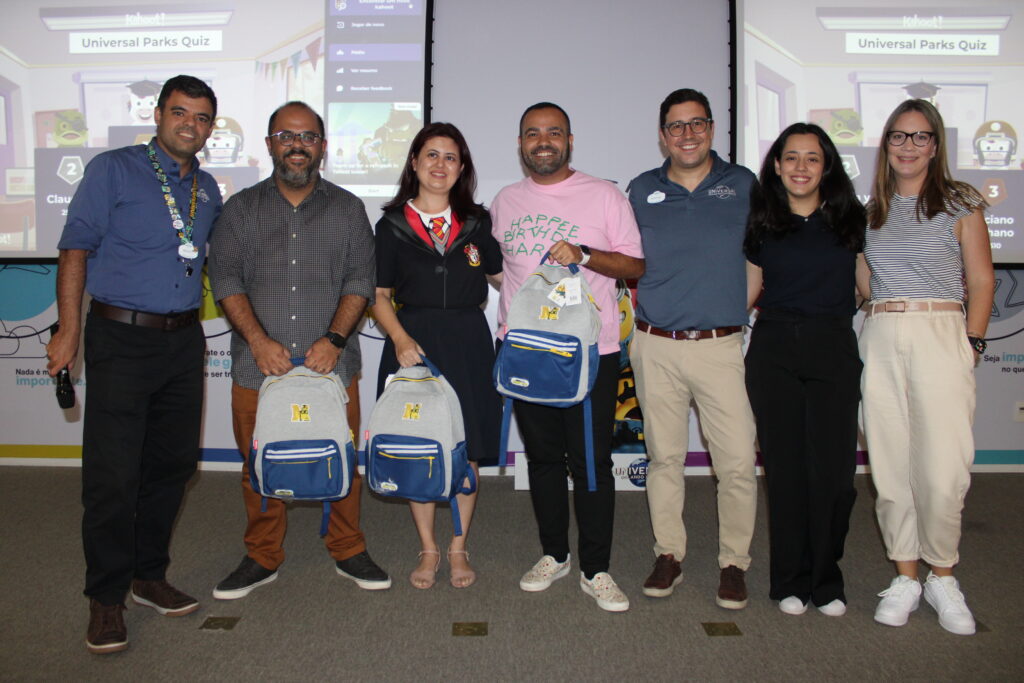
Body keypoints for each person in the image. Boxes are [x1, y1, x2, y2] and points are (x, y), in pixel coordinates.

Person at [46, 75, 221, 654]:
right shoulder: (113, 170)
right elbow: (75, 248)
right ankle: (105, 597)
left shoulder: (210, 188)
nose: (188, 124)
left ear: (210, 128)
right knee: (113, 476)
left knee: (172, 467)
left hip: (182, 341)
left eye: (200, 117)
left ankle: (149, 574)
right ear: (158, 114)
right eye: (179, 112)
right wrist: (69, 330)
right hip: (120, 337)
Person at [208, 101, 390, 600]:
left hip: (332, 365)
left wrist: (333, 340)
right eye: (286, 135)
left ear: (322, 147)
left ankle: (347, 546)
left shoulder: (348, 208)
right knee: (258, 462)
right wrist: (259, 341)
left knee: (339, 459)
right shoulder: (240, 209)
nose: (297, 144)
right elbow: (224, 277)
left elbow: (360, 279)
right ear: (269, 144)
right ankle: (262, 554)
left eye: (308, 136)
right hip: (256, 365)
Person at [491, 102, 645, 612]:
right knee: (542, 461)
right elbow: (502, 272)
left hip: (587, 356)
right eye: (532, 133)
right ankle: (554, 554)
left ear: (570, 141)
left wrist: (583, 253)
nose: (543, 141)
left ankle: (596, 569)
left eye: (553, 132)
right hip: (527, 355)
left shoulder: (603, 195)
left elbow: (634, 264)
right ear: (520, 144)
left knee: (591, 464)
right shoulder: (505, 201)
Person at [859, 99, 994, 636]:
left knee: (943, 470)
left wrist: (972, 345)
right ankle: (907, 576)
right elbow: (866, 282)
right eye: (898, 136)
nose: (908, 147)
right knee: (890, 469)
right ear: (886, 144)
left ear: (936, 145)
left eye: (920, 137)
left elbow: (981, 281)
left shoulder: (960, 202)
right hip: (884, 332)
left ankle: (943, 575)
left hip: (942, 333)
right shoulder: (873, 210)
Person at [627, 88, 757, 609]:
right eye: (676, 126)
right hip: (655, 344)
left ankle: (733, 563)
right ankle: (669, 554)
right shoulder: (640, 189)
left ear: (711, 129)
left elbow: (765, 253)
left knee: (738, 463)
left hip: (718, 347)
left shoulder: (744, 185)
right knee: (663, 459)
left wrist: (734, 313)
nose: (687, 134)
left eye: (696, 123)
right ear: (662, 135)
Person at [371, 122, 502, 589]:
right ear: (414, 162)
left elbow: (504, 277)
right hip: (412, 344)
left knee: (468, 451)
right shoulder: (389, 225)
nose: (440, 164)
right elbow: (379, 294)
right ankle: (428, 549)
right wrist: (402, 340)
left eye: (450, 156)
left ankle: (458, 548)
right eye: (431, 155)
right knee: (418, 447)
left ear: (461, 167)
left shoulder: (477, 222)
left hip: (468, 343)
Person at [743, 123, 865, 617]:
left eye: (812, 158)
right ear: (776, 165)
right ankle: (790, 581)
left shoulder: (850, 220)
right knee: (787, 472)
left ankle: (826, 579)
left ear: (826, 166)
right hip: (773, 350)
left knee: (834, 476)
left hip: (833, 347)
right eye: (791, 157)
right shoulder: (762, 222)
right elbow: (748, 293)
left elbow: (868, 287)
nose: (800, 167)